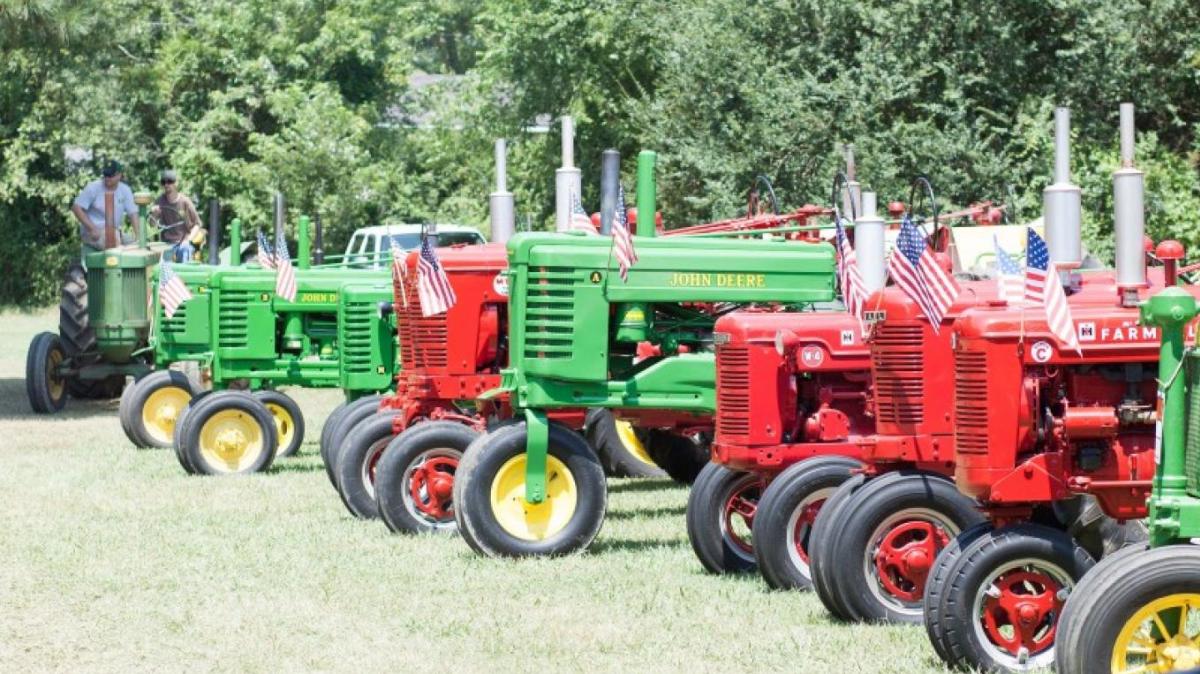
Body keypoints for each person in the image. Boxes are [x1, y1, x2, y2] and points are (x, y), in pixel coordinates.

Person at [71, 160, 140, 255]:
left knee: (137, 246)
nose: (107, 178)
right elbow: (76, 208)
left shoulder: (125, 190)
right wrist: (92, 228)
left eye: (111, 175)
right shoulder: (93, 188)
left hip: (114, 230)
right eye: (106, 174)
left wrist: (138, 237)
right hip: (94, 231)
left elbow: (133, 213)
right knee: (115, 244)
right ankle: (114, 269)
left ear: (119, 175)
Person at [150, 169, 203, 262]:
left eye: (169, 181)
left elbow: (197, 224)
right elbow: (152, 225)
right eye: (163, 182)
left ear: (176, 184)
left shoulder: (185, 201)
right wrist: (154, 215)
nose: (166, 185)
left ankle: (185, 274)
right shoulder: (160, 201)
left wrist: (189, 239)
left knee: (185, 249)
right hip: (166, 243)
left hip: (183, 241)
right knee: (158, 253)